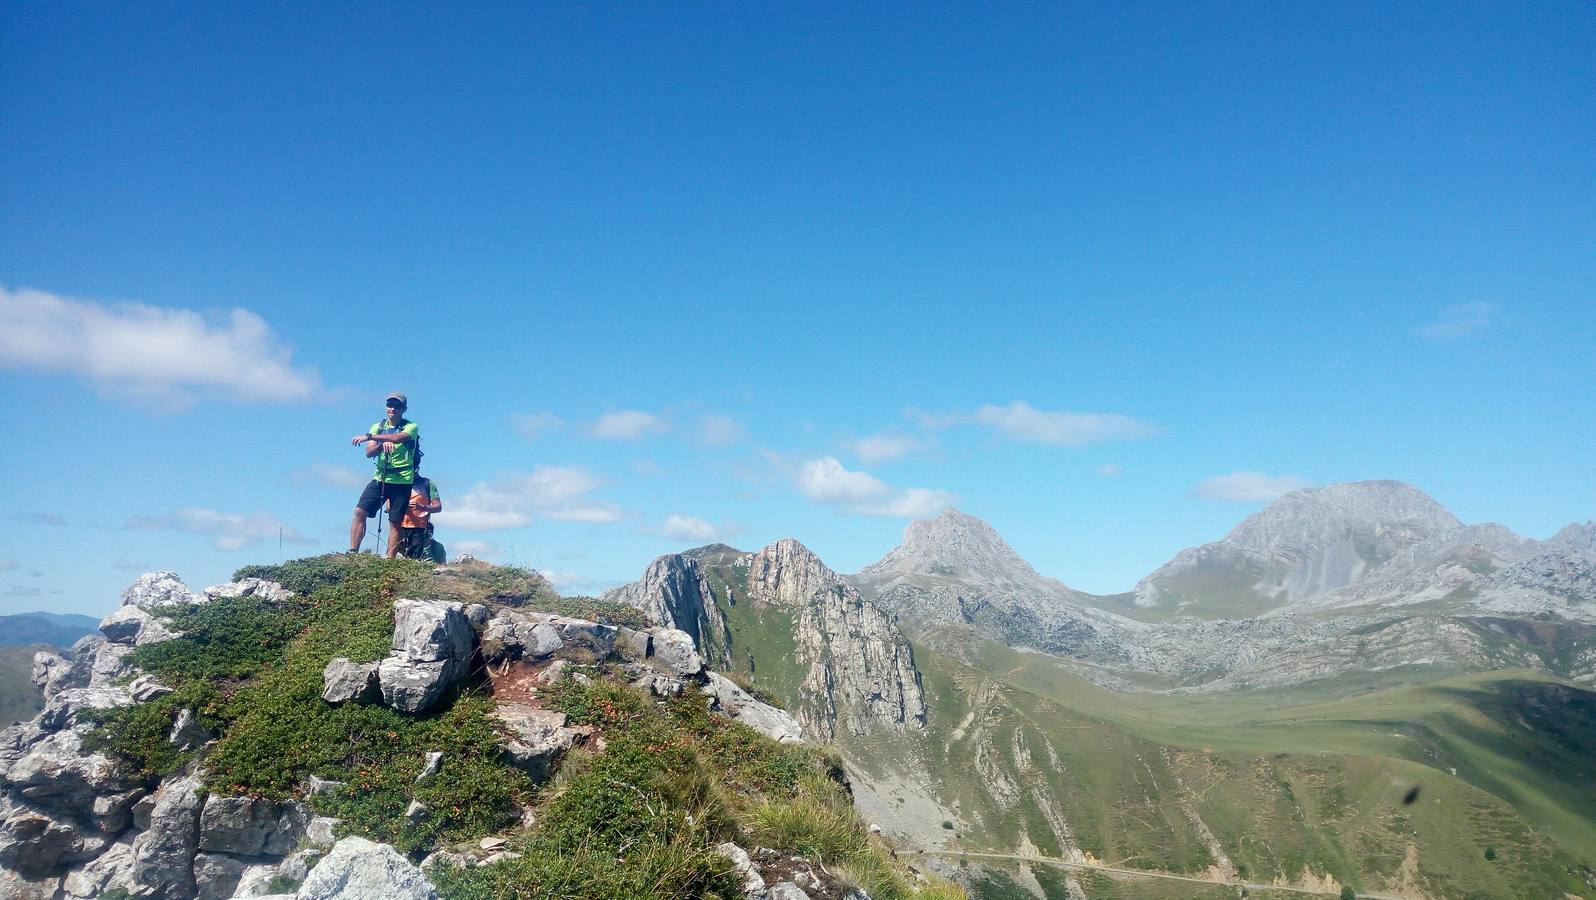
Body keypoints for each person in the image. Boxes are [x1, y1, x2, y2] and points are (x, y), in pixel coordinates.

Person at [348, 392, 420, 557]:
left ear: (404, 409)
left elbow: (397, 437)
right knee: (360, 511)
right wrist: (381, 445)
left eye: (397, 406)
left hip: (402, 480)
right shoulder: (377, 426)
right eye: (390, 405)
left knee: (395, 521)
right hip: (380, 477)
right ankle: (353, 553)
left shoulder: (411, 426)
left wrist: (369, 437)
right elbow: (369, 452)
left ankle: (390, 560)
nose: (392, 409)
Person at [397, 474, 445, 562]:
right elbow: (388, 507)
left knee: (414, 558)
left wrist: (422, 507)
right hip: (398, 525)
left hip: (418, 527)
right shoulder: (397, 481)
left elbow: (438, 507)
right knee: (397, 555)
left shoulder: (427, 483)